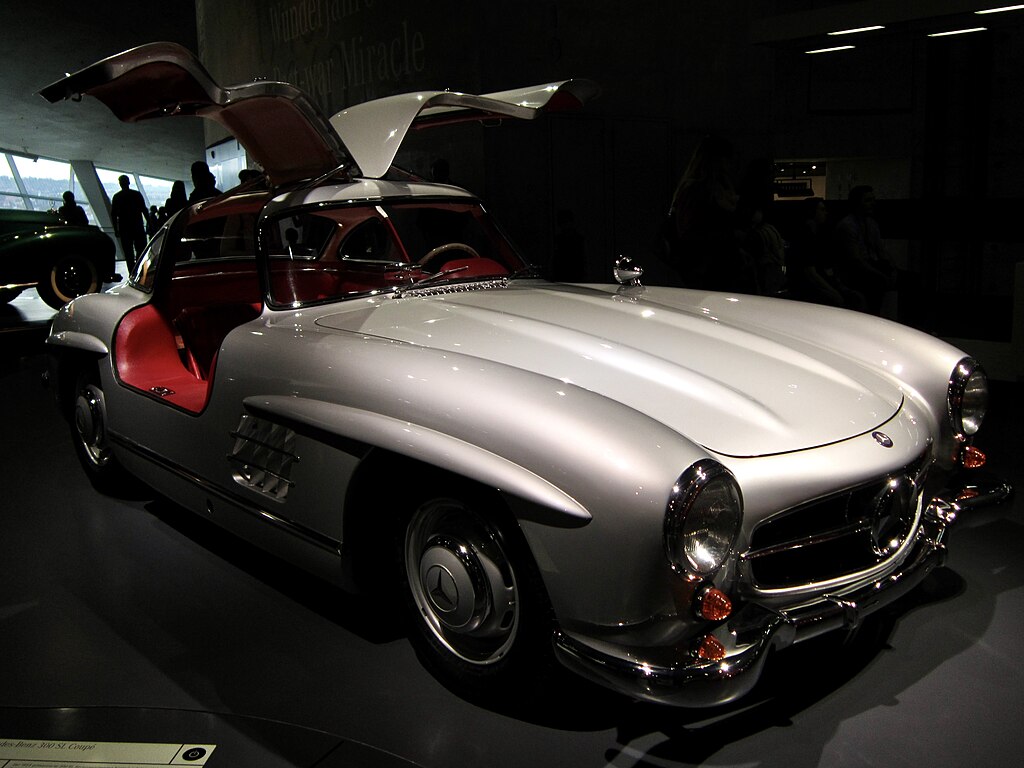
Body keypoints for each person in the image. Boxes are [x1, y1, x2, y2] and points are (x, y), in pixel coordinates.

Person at [664, 136, 757, 293]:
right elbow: (692, 233)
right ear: (717, 161)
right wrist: (731, 236)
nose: (731, 166)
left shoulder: (704, 189)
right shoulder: (701, 191)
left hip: (710, 268)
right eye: (727, 160)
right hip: (709, 270)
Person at [788, 197, 865, 310]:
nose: (826, 213)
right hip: (808, 288)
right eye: (822, 209)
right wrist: (834, 291)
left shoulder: (816, 236)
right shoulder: (805, 238)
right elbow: (811, 273)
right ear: (812, 212)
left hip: (819, 284)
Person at [834, 185, 897, 316]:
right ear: (857, 203)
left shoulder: (872, 224)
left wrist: (892, 268)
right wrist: (880, 274)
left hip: (870, 266)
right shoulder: (847, 226)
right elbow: (855, 260)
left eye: (873, 200)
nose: (872, 204)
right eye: (868, 200)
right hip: (854, 272)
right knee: (875, 285)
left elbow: (881, 250)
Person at [110, 174, 147, 270]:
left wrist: (116, 229)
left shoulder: (117, 197)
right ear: (129, 182)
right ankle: (139, 268)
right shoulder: (136, 195)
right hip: (137, 226)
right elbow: (144, 210)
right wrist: (149, 224)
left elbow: (114, 215)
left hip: (124, 228)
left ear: (120, 184)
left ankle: (131, 270)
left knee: (128, 252)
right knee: (141, 249)